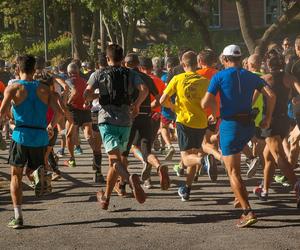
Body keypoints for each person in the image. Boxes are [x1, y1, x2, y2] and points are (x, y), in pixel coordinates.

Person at [201, 45, 276, 228]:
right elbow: (272, 95)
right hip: (248, 126)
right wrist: (267, 117)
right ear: (240, 58)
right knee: (234, 168)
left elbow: (205, 101)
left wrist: (216, 113)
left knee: (232, 171)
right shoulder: (252, 76)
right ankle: (238, 195)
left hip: (230, 125)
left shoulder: (219, 76)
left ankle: (247, 211)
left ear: (225, 60)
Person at [0, 55, 62, 229]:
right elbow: (59, 113)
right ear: (35, 70)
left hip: (21, 135)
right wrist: (51, 126)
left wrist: (9, 118)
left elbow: (1, 112)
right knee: (33, 168)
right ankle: (36, 174)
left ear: (18, 69)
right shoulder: (44, 89)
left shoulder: (13, 88)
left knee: (15, 175)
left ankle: (18, 216)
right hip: (40, 136)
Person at [84, 44, 148, 210]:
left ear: (107, 58)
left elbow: (87, 92)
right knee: (115, 160)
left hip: (106, 120)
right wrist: (137, 105)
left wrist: (90, 98)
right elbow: (144, 89)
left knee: (114, 160)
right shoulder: (131, 73)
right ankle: (106, 197)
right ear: (122, 59)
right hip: (126, 121)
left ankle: (129, 180)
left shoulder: (98, 73)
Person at [253, 50, 300, 207]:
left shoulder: (264, 79)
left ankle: (297, 184)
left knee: (279, 156)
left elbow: (251, 101)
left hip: (270, 122)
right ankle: (264, 190)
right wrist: (295, 99)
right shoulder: (290, 78)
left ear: (267, 64)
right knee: (269, 157)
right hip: (284, 122)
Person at [160, 51, 209, 202]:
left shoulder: (177, 78)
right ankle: (187, 189)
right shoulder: (204, 80)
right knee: (193, 154)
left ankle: (204, 161)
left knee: (187, 158)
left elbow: (162, 100)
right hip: (201, 122)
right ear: (197, 63)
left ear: (182, 64)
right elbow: (209, 101)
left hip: (184, 121)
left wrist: (173, 107)